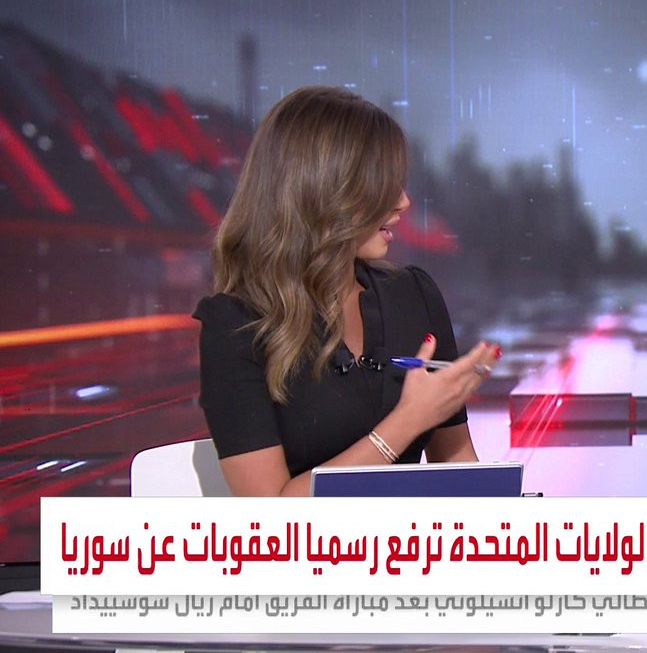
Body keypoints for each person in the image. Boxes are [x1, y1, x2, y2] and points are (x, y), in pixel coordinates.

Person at [194, 86, 500, 496]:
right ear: (322, 190)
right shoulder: (235, 326)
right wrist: (407, 422)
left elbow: (457, 462)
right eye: (381, 185)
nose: (403, 202)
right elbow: (269, 515)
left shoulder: (415, 295)